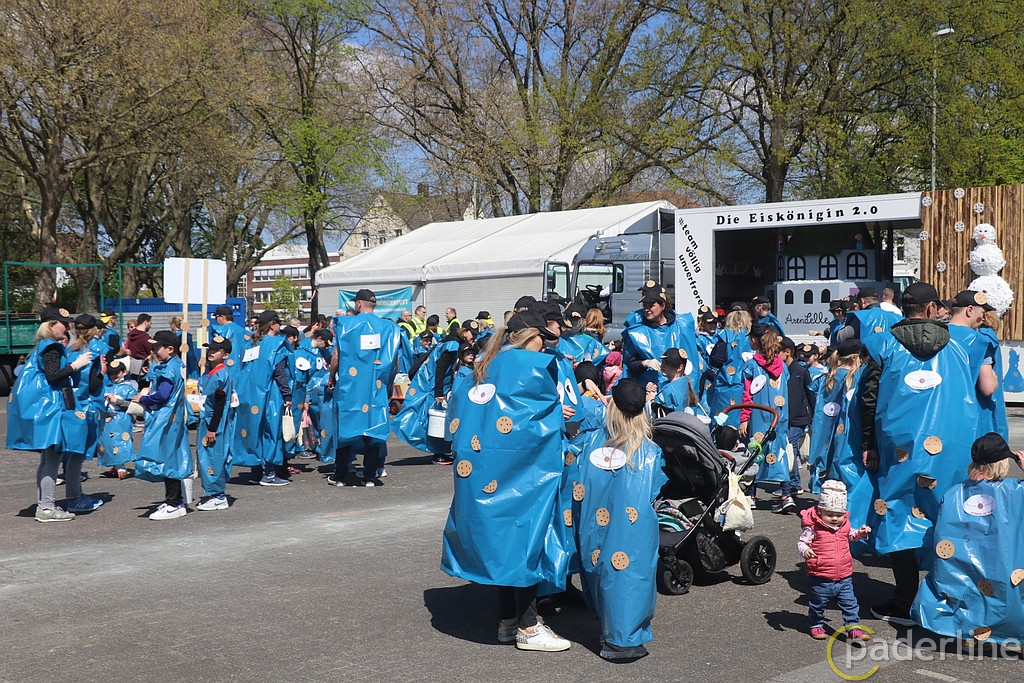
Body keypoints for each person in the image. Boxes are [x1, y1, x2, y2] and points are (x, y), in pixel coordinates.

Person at [441, 310, 572, 652]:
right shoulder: (528, 365)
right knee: (527, 540)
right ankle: (529, 627)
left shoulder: (485, 365)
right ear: (530, 336)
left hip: (483, 472)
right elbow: (533, 424)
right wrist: (557, 414)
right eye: (543, 338)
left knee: (505, 543)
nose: (546, 346)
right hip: (523, 473)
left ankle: (508, 621)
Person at [861, 282, 989, 625]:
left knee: (899, 512)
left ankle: (905, 601)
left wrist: (868, 443)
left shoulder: (884, 343)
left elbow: (869, 397)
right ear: (932, 309)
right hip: (950, 445)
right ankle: (947, 599)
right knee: (947, 514)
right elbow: (975, 397)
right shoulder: (960, 345)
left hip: (898, 446)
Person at [571, 378, 667, 661]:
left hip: (592, 523)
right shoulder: (650, 452)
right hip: (634, 527)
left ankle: (609, 631)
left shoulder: (588, 442)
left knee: (599, 567)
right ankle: (622, 639)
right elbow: (657, 488)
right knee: (631, 573)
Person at [911, 433, 1024, 643]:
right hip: (1007, 568)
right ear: (1002, 464)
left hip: (966, 568)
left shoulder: (954, 493)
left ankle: (971, 631)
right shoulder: (1015, 491)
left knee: (970, 584)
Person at [6, 308, 93, 522]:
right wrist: (76, 365)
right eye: (63, 323)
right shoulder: (52, 347)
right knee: (52, 460)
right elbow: (53, 376)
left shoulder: (42, 346)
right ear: (52, 325)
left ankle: (44, 505)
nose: (67, 326)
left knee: (47, 459)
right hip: (52, 411)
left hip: (46, 410)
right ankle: (46, 508)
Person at [329, 289, 411, 487]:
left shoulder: (346, 325)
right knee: (374, 428)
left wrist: (331, 376)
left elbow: (337, 355)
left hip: (351, 387)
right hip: (376, 386)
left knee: (347, 425)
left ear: (358, 304)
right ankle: (369, 476)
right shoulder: (389, 328)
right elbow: (395, 360)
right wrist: (390, 384)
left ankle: (340, 475)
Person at [798, 480, 872, 641]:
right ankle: (816, 624)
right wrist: (806, 550)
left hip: (844, 576)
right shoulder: (813, 527)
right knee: (818, 604)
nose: (834, 518)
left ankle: (853, 628)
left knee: (850, 604)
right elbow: (802, 542)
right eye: (830, 514)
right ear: (820, 511)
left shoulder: (844, 525)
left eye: (839, 515)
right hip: (821, 575)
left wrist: (861, 533)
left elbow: (851, 535)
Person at [134, 330, 193, 520]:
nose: (154, 351)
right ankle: (176, 501)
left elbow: (163, 395)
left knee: (168, 458)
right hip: (173, 418)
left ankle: (174, 503)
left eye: (157, 347)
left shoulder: (169, 369)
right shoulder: (175, 364)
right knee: (172, 456)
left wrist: (144, 399)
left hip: (166, 418)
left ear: (170, 349)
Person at [233, 310, 293, 486]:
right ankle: (269, 474)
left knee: (255, 430)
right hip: (270, 393)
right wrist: (287, 394)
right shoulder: (277, 344)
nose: (280, 326)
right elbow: (280, 372)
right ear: (273, 325)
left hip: (248, 392)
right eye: (279, 323)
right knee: (270, 432)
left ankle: (256, 472)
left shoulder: (252, 342)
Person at [622, 281, 703, 395]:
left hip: (678, 390)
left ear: (663, 305)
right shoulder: (638, 332)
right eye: (645, 305)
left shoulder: (681, 326)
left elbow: (692, 362)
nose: (647, 309)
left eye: (651, 305)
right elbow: (630, 364)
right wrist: (645, 363)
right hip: (649, 390)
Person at [739, 323, 791, 500]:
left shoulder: (751, 366)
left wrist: (744, 418)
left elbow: (748, 395)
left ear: (754, 341)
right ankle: (786, 494)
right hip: (779, 415)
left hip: (758, 416)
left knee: (755, 450)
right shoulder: (782, 365)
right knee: (780, 450)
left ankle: (751, 495)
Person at [947, 290, 1004, 437]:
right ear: (970, 310)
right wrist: (994, 378)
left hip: (943, 415)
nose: (983, 318)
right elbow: (987, 387)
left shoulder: (938, 336)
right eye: (982, 313)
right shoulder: (979, 341)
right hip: (973, 419)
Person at [195, 336, 236, 511]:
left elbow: (220, 404)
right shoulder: (209, 372)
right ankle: (213, 493)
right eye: (210, 349)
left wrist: (212, 429)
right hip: (207, 419)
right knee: (206, 456)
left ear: (225, 355)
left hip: (214, 422)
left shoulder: (221, 375)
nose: (211, 352)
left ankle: (219, 496)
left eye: (216, 350)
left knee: (214, 456)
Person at [776, 336, 815, 512]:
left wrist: (812, 418)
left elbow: (810, 394)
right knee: (790, 450)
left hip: (799, 419)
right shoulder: (778, 370)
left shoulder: (801, 370)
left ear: (788, 352)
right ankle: (794, 483)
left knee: (789, 449)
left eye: (778, 351)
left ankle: (790, 485)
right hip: (784, 418)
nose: (775, 354)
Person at [707, 308, 753, 427]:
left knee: (722, 422)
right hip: (748, 385)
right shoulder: (751, 337)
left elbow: (716, 360)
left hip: (727, 385)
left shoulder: (726, 335)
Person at [98, 358, 138, 480]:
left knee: (120, 441)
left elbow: (133, 405)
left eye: (117, 373)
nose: (114, 376)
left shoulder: (129, 388)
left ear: (124, 372)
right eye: (111, 374)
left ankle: (121, 468)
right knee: (108, 442)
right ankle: (116, 466)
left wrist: (117, 401)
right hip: (107, 419)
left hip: (121, 419)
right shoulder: (107, 387)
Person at [834, 287, 902, 344]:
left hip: (867, 355)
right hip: (893, 356)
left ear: (862, 301)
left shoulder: (860, 318)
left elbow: (840, 337)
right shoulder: (897, 317)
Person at [651, 348, 697, 416]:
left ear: (680, 367)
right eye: (663, 362)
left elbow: (661, 415)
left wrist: (651, 400)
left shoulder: (669, 390)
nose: (662, 365)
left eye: (667, 363)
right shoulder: (684, 384)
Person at [210, 304, 250, 380]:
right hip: (241, 370)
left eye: (216, 317)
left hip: (222, 370)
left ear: (223, 317)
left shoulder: (219, 331)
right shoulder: (244, 332)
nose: (216, 320)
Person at [126, 313, 153, 382]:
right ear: (146, 322)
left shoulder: (131, 335)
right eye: (150, 323)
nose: (150, 326)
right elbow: (152, 352)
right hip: (143, 369)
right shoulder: (145, 337)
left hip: (132, 368)